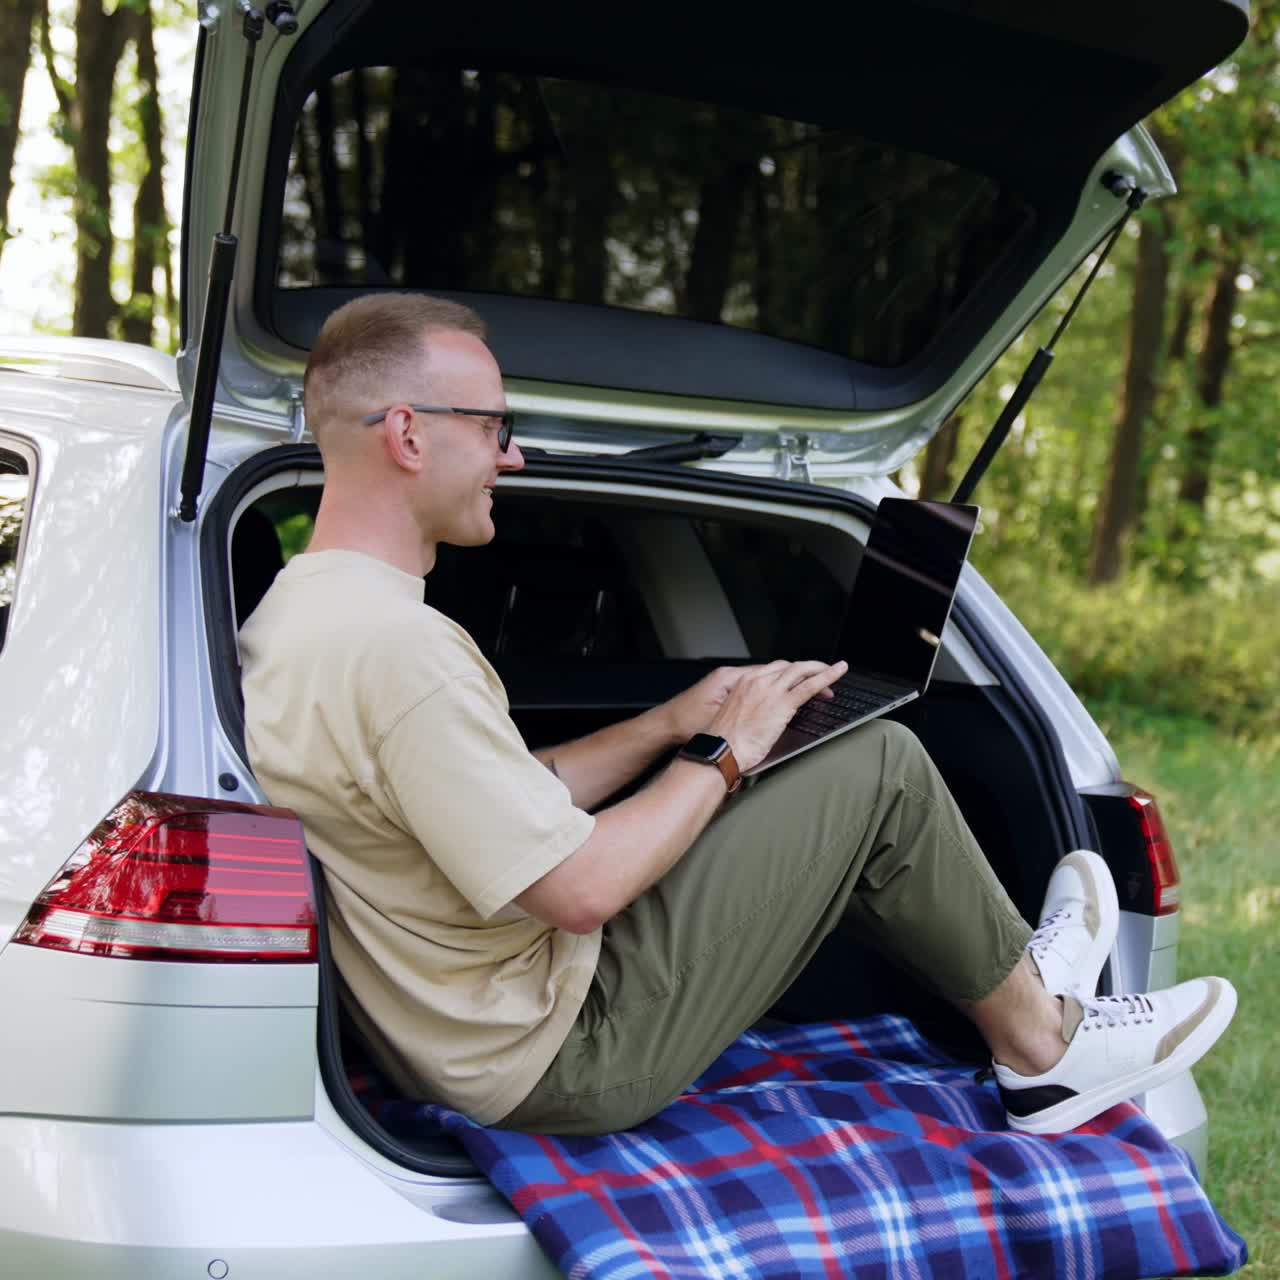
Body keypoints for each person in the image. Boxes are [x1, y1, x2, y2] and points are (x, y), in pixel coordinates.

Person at [239, 293, 1236, 1137]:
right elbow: (578, 887)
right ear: (410, 433)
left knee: (821, 758)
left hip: (482, 1025)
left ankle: (1024, 973)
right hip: (555, 1051)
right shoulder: (403, 651)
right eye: (495, 426)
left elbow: (509, 800)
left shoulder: (302, 615)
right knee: (877, 761)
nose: (517, 454)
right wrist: (723, 755)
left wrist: (668, 721)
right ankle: (1045, 1047)